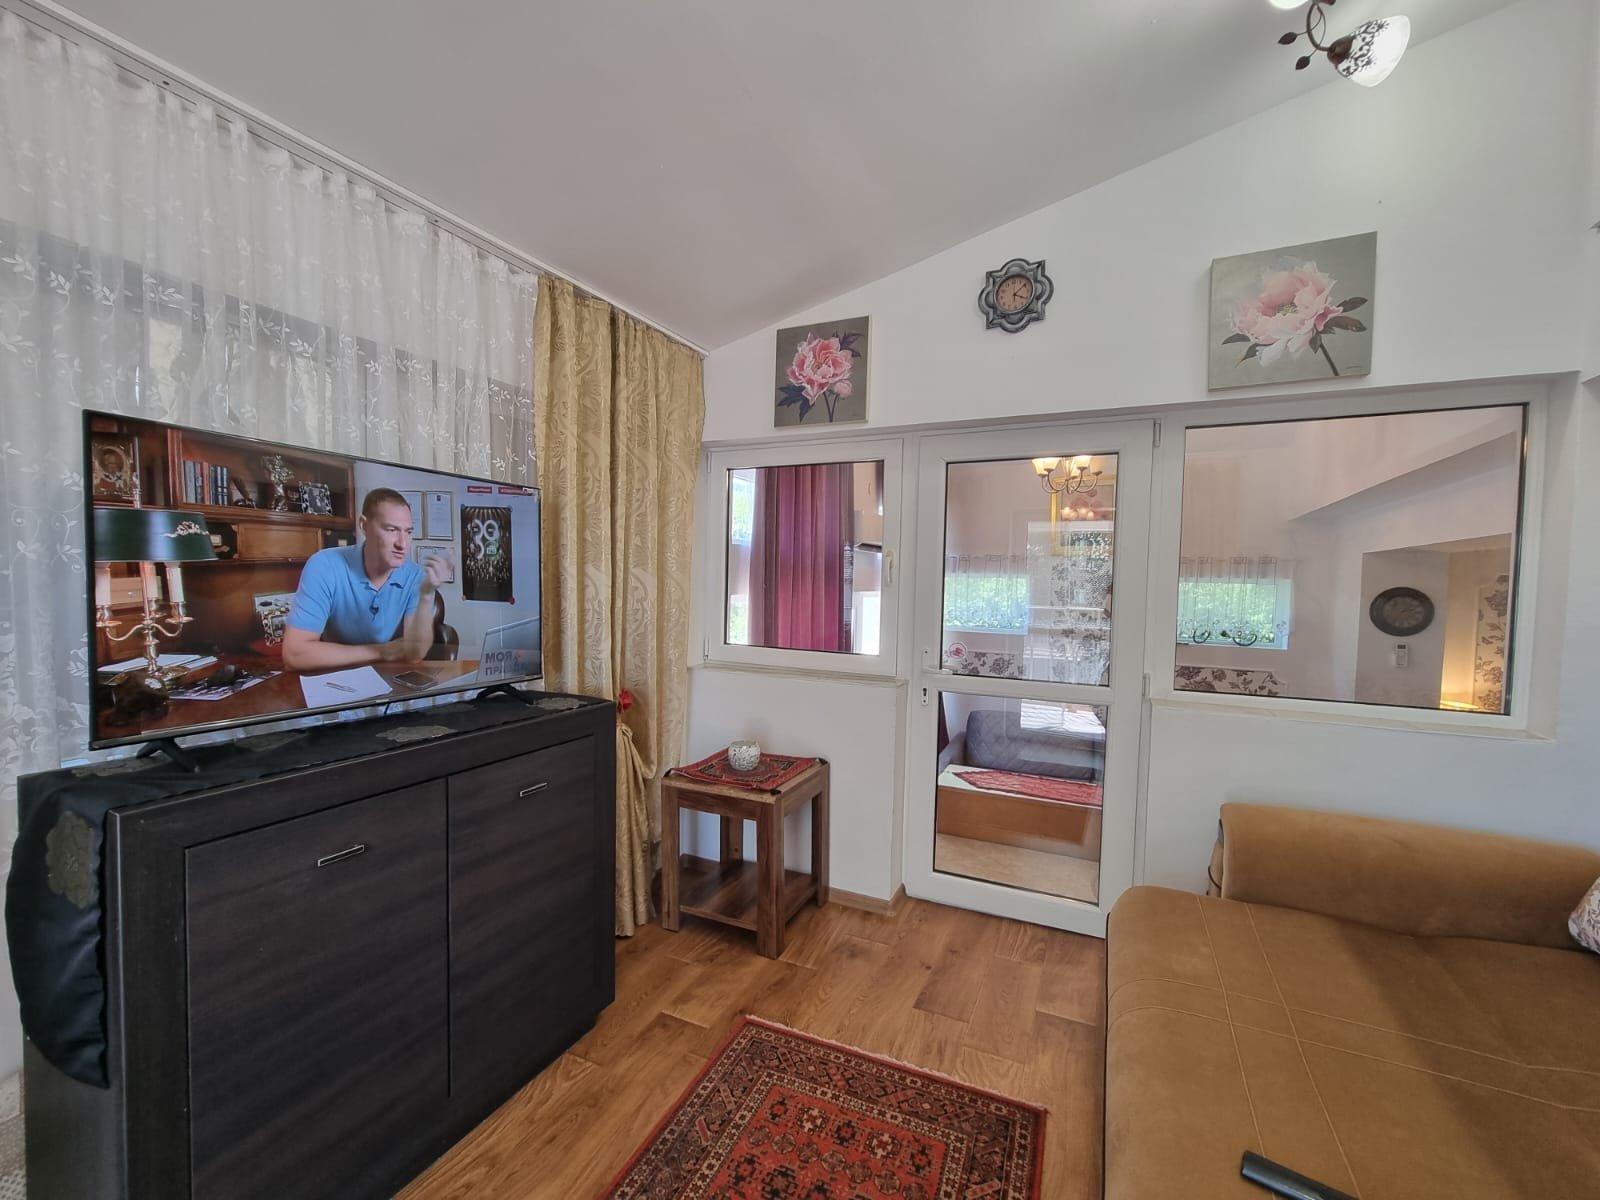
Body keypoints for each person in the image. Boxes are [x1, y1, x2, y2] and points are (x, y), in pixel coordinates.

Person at [282, 488, 451, 672]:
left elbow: (415, 654)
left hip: (391, 679)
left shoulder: (416, 576)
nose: (402, 543)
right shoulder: (324, 565)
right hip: (336, 676)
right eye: (391, 529)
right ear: (364, 525)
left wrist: (426, 595)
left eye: (408, 532)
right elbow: (295, 654)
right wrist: (383, 651)